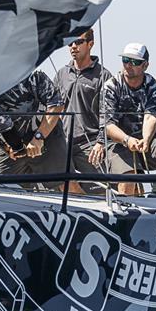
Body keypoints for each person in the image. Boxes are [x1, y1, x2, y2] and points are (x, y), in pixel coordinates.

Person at [101, 43, 156, 196]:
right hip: (118, 142)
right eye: (126, 60)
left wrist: (146, 140)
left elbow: (150, 116)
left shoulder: (154, 88)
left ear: (145, 65)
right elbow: (108, 126)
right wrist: (127, 140)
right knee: (129, 177)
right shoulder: (111, 86)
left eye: (134, 62)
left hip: (143, 141)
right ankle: (125, 215)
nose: (128, 65)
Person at [0, 70, 68, 190]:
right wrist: (6, 146)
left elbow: (56, 103)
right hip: (8, 144)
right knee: (7, 189)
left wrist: (38, 137)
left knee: (65, 184)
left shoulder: (32, 75)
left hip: (44, 137)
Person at [54, 29, 112, 193]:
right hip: (63, 142)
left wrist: (101, 142)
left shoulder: (103, 75)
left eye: (78, 42)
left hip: (91, 143)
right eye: (70, 43)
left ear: (90, 44)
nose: (73, 46)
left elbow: (109, 114)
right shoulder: (61, 74)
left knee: (101, 191)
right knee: (63, 181)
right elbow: (50, 107)